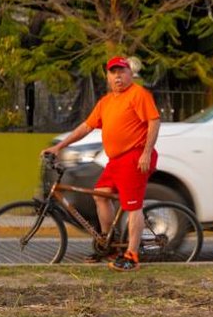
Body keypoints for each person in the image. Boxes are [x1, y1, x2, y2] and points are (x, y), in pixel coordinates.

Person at [43, 56, 161, 271]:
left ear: (129, 73)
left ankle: (132, 256)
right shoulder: (106, 102)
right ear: (108, 76)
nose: (118, 76)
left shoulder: (138, 94)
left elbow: (154, 121)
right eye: (113, 72)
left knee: (132, 207)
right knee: (100, 195)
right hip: (115, 160)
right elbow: (86, 127)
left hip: (135, 157)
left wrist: (145, 153)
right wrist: (59, 147)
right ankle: (109, 246)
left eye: (122, 71)